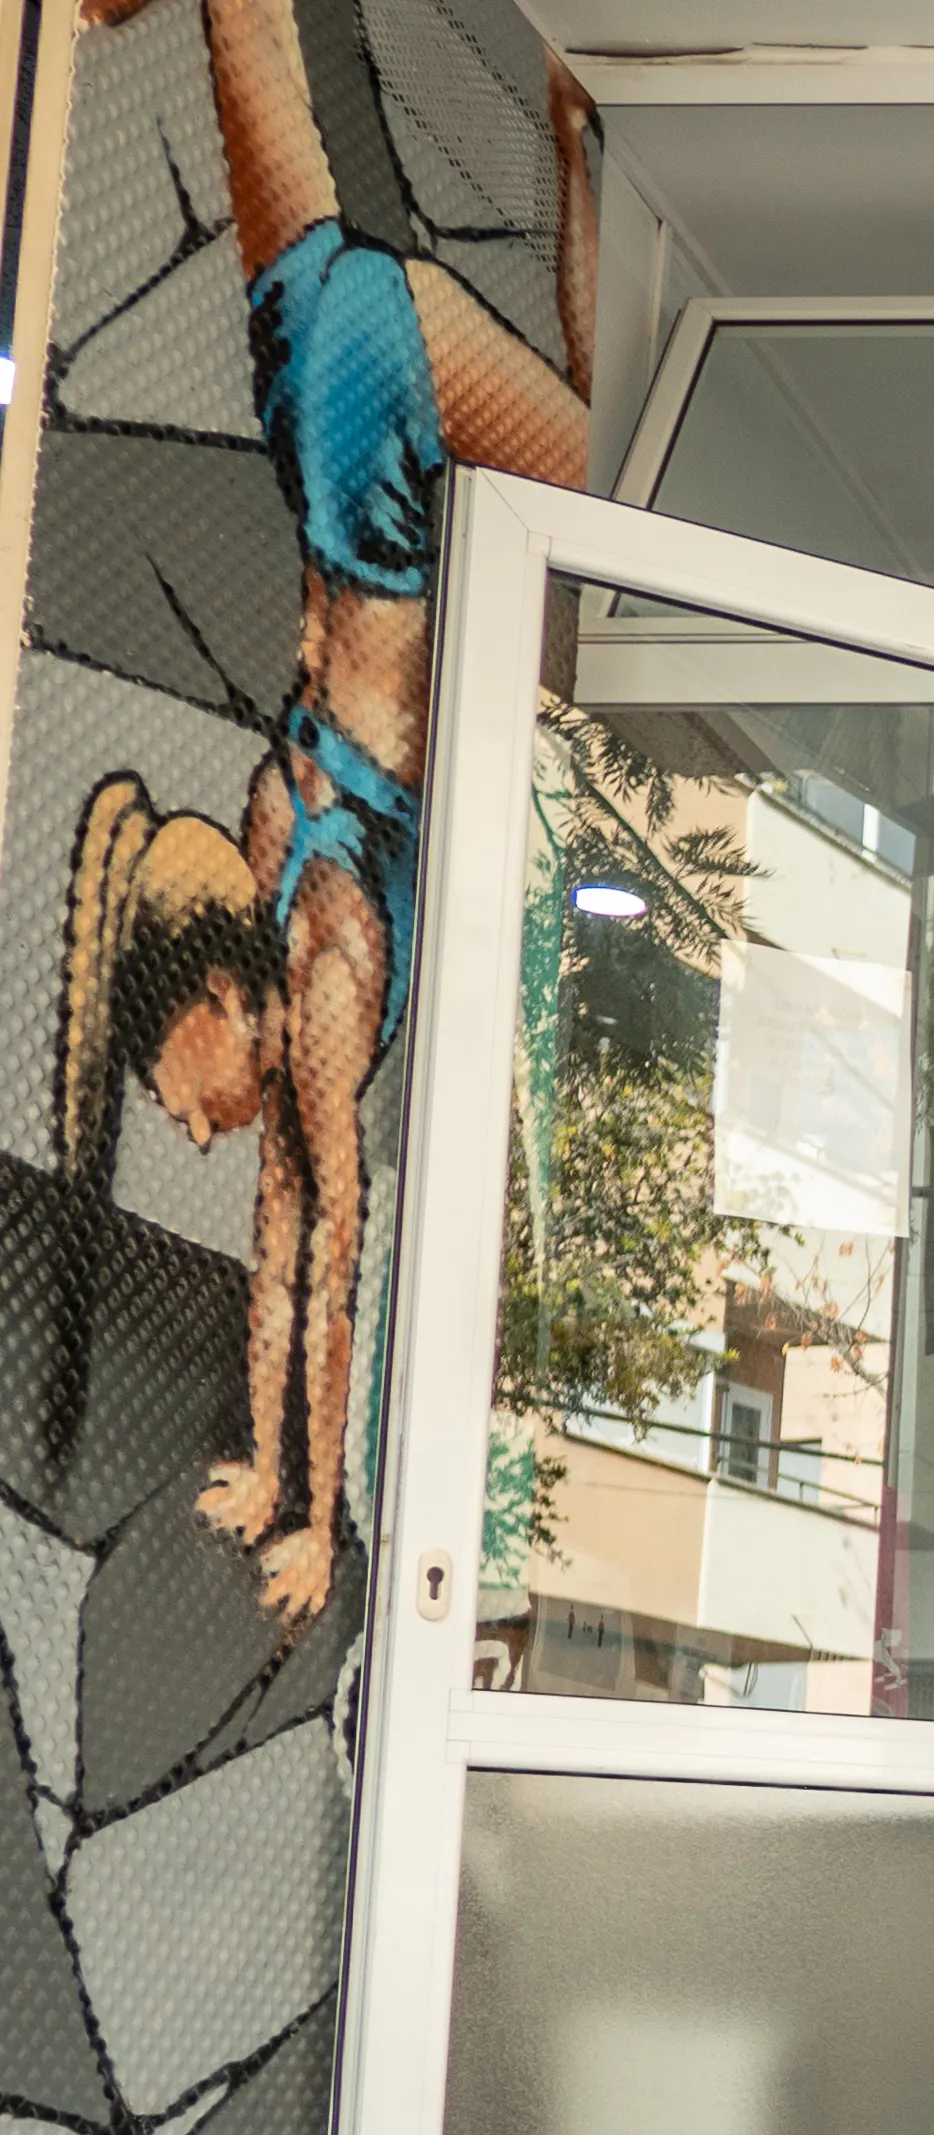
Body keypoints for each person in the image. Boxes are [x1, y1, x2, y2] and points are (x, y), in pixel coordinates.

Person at [61, 0, 595, 1627]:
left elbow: (328, 1254)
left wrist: (319, 1519)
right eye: (182, 1103)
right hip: (330, 441)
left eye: (182, 1094)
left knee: (620, 501)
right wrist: (278, 1484)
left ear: (225, 996)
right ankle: (573, 144)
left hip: (376, 492)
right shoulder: (287, 898)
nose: (193, 1124)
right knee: (281, 155)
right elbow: (291, 1236)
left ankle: (582, 151)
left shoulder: (330, 950)